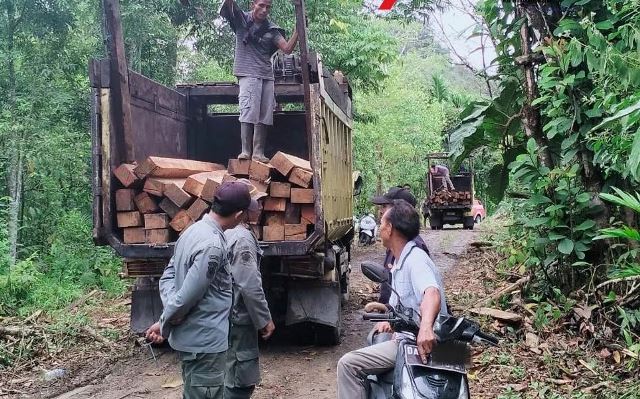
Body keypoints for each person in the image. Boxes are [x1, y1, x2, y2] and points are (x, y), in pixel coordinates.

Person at [145, 181, 259, 399]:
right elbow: (189, 295)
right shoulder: (213, 246)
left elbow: (168, 277)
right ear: (239, 214)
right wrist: (167, 319)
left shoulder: (191, 232)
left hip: (193, 339)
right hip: (205, 342)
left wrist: (164, 319)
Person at [336, 200, 448, 399]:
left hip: (413, 342)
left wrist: (425, 327)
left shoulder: (415, 260)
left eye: (382, 223)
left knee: (348, 364)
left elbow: (431, 293)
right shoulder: (401, 259)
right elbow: (408, 302)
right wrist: (387, 314)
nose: (379, 228)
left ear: (390, 229)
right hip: (408, 336)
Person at [220, 0, 299, 162]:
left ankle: (258, 153)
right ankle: (245, 151)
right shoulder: (241, 19)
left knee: (264, 115)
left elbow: (287, 49)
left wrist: (298, 30)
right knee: (248, 111)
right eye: (261, 5)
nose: (264, 10)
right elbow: (228, 5)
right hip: (248, 73)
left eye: (268, 7)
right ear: (252, 5)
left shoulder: (272, 29)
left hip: (266, 75)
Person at [224, 186, 275, 399]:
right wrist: (264, 319)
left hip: (223, 316)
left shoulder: (224, 231)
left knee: (227, 370)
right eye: (258, 203)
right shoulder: (242, 237)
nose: (261, 207)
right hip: (237, 317)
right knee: (240, 379)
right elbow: (249, 284)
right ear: (245, 209)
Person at [367, 187, 430, 312]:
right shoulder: (399, 248)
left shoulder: (415, 255)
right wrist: (387, 309)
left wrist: (426, 327)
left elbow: (431, 293)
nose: (380, 212)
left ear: (401, 210)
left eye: (385, 206)